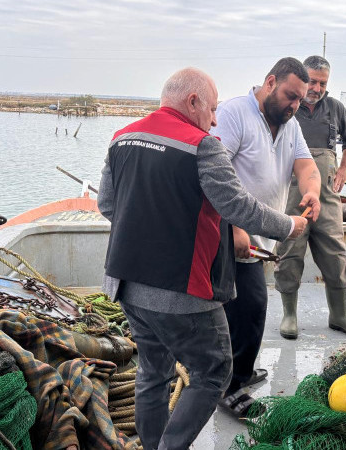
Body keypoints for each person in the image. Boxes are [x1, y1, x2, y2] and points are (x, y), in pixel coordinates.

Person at [98, 67, 308, 450]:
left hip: (126, 283)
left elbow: (109, 205)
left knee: (153, 372)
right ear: (192, 101)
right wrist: (288, 225)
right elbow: (239, 208)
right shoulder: (202, 145)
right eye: (212, 109)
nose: (215, 119)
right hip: (179, 291)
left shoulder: (120, 138)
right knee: (214, 371)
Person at [210, 57, 322, 417]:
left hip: (259, 240)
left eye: (300, 101)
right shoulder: (233, 114)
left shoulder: (289, 125)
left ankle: (235, 372)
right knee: (250, 306)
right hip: (227, 234)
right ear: (270, 82)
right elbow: (214, 175)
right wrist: (233, 227)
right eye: (290, 96)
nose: (294, 106)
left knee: (243, 307)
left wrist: (312, 191)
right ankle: (230, 387)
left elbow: (305, 165)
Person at [273, 55, 346, 340]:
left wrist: (344, 168)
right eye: (312, 81)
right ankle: (289, 315)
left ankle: (339, 315)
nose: (316, 88)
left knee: (335, 254)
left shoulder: (335, 108)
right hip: (290, 195)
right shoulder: (288, 106)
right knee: (289, 253)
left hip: (327, 197)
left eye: (322, 83)